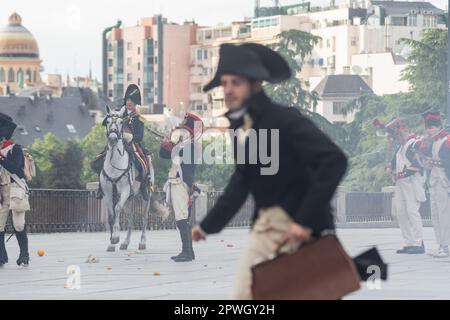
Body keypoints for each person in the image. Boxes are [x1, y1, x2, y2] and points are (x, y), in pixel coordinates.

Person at [191, 43, 348, 299]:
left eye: (236, 82)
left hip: (301, 229)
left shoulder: (283, 119)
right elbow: (242, 180)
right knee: (243, 297)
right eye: (225, 82)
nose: (228, 89)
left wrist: (304, 221)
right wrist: (207, 226)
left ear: (256, 85)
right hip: (264, 228)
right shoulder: (239, 127)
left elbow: (335, 161)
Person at [92, 84, 152, 200]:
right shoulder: (118, 113)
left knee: (143, 163)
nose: (129, 103)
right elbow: (106, 123)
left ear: (136, 103)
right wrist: (111, 116)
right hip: (115, 142)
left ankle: (143, 187)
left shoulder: (139, 118)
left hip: (132, 144)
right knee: (99, 160)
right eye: (128, 100)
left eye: (132, 101)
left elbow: (140, 136)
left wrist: (130, 137)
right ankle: (101, 186)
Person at [160, 112, 203, 262]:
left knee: (181, 219)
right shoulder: (184, 146)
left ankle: (186, 252)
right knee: (183, 219)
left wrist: (170, 143)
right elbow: (163, 154)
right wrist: (166, 141)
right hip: (177, 183)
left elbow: (173, 154)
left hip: (181, 184)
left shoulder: (190, 147)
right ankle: (188, 252)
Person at [381, 117, 426, 254]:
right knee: (401, 212)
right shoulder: (400, 148)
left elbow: (418, 165)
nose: (395, 138)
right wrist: (390, 168)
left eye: (395, 135)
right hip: (400, 185)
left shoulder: (413, 144)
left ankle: (418, 243)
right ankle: (409, 242)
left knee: (412, 211)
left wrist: (399, 175)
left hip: (411, 183)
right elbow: (394, 165)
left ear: (401, 132)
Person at [417, 112, 450, 258]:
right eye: (428, 128)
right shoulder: (434, 142)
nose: (428, 130)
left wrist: (435, 162)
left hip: (444, 182)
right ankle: (441, 244)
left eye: (431, 127)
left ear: (438, 127)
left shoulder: (447, 140)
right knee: (435, 215)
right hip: (434, 182)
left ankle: (446, 245)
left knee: (444, 214)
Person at [0, 112, 30, 267]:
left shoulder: (15, 149)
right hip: (1, 192)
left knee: (18, 225)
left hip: (15, 189)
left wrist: (1, 159)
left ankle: (24, 254)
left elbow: (17, 170)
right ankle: (1, 256)